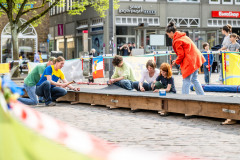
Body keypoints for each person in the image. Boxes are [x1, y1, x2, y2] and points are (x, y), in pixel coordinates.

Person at [166, 22, 205, 95]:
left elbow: (181, 55)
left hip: (190, 61)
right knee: (194, 79)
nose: (168, 36)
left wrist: (176, 61)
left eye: (168, 34)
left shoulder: (177, 40)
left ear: (171, 32)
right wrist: (177, 60)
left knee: (186, 80)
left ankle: (184, 98)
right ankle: (202, 96)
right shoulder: (184, 37)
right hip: (196, 59)